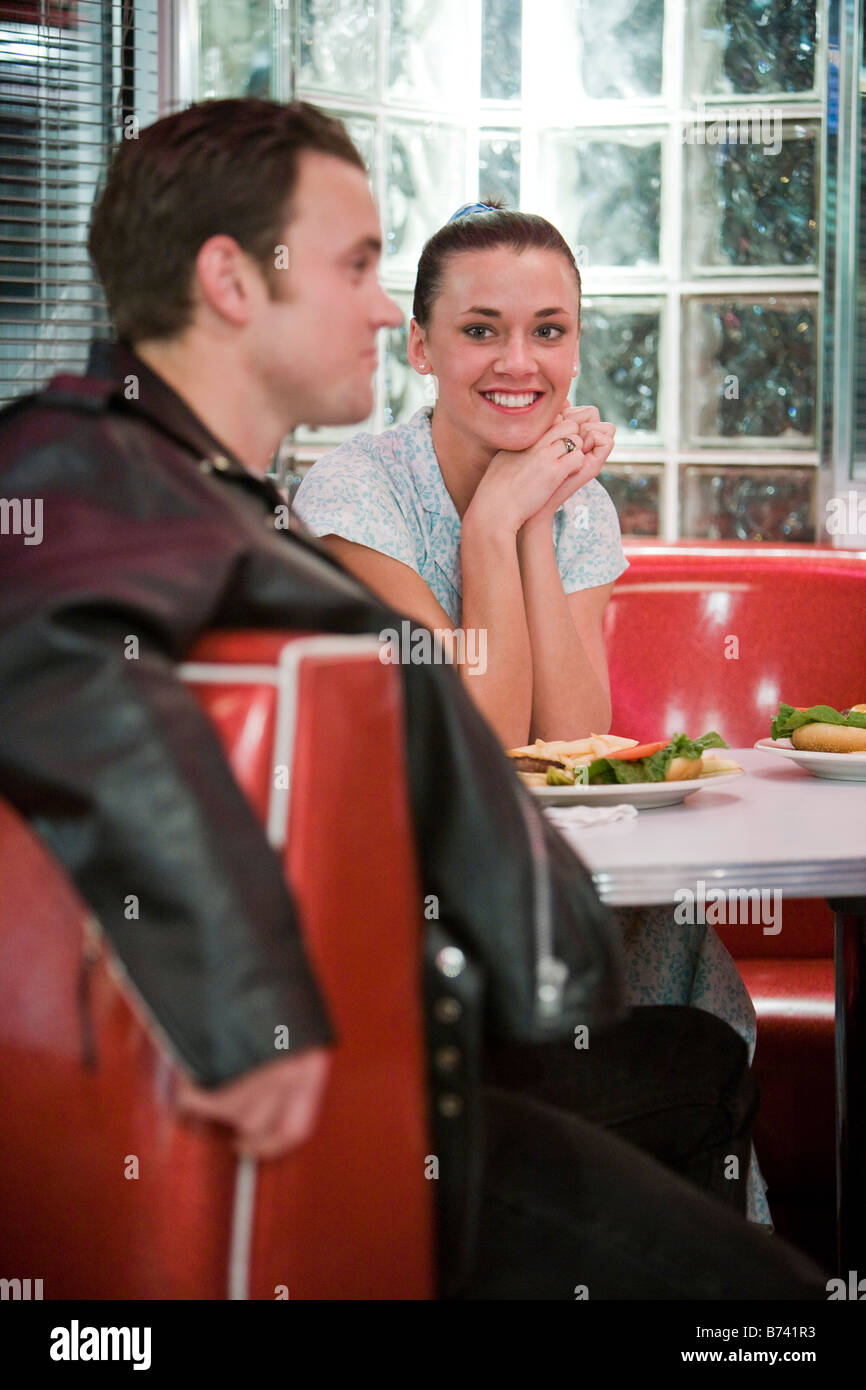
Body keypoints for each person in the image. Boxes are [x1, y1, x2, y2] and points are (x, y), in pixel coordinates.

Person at [0, 98, 820, 1297]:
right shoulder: (80, 469)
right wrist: (241, 999)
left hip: (415, 1047)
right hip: (352, 1106)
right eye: (358, 266)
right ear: (232, 280)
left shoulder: (208, 494)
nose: (389, 310)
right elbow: (53, 662)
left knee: (693, 1061)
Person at [293, 202, 771, 1226]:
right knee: (688, 1064)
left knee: (684, 1013)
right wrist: (497, 522)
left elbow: (571, 741)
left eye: (547, 330)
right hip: (417, 927)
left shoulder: (575, 498)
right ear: (419, 345)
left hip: (550, 897)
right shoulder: (353, 491)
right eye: (480, 329)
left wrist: (537, 510)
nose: (519, 361)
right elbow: (486, 747)